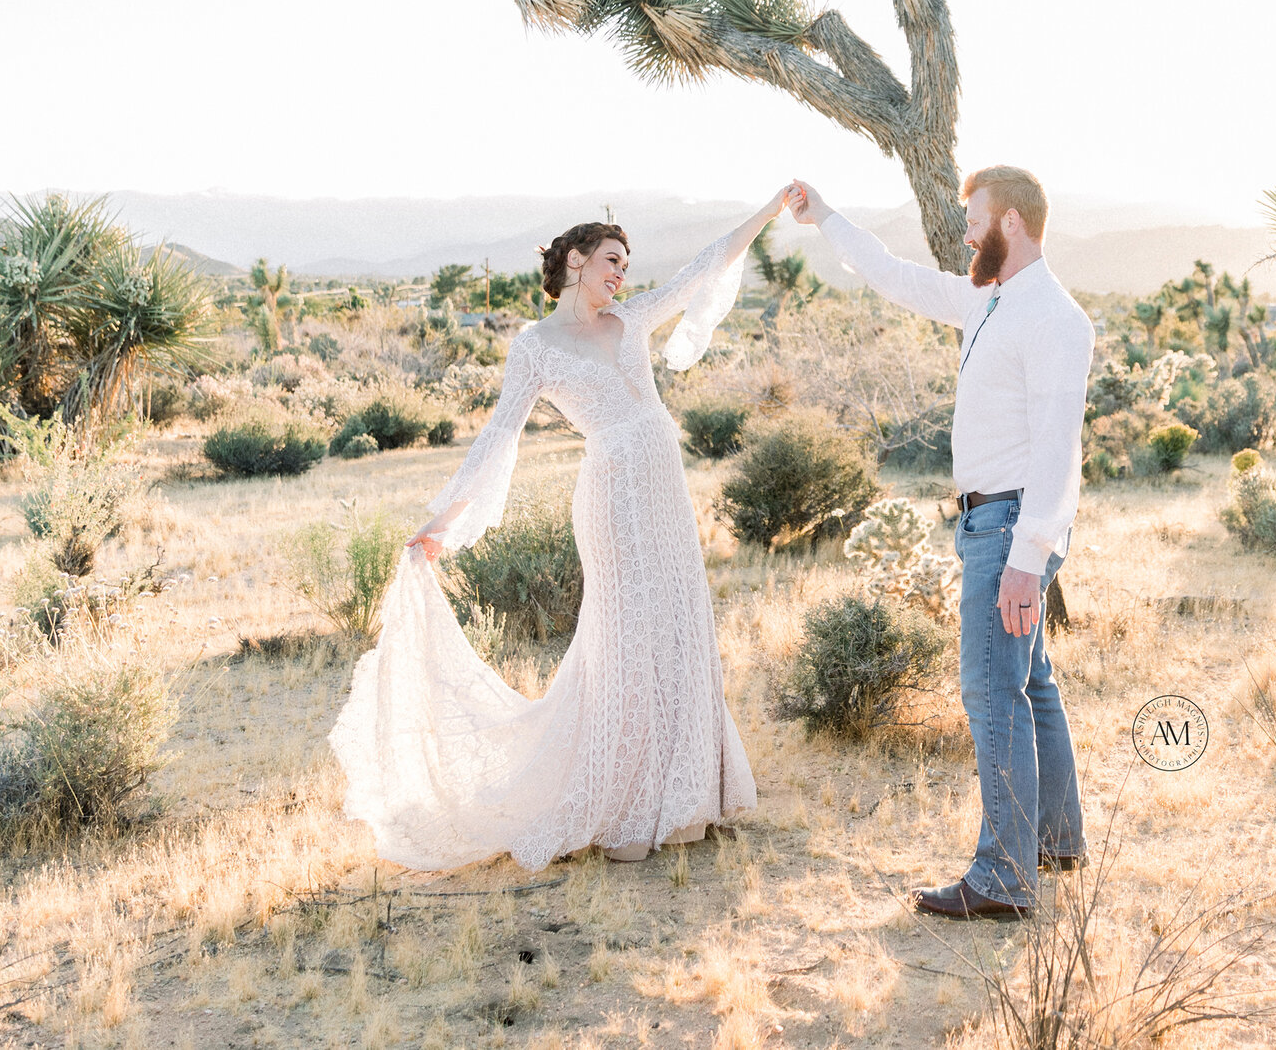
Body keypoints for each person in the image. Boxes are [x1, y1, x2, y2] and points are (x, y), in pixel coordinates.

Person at [328, 190, 792, 870]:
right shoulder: (536, 345)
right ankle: (626, 799)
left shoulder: (630, 320)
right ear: (575, 260)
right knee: (627, 639)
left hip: (666, 495)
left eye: (625, 264)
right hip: (613, 501)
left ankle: (685, 794)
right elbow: (498, 435)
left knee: (678, 625)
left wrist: (773, 207)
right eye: (610, 260)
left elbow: (703, 265)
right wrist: (442, 520)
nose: (620, 274)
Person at [787, 167, 1092, 920]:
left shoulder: (1053, 316)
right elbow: (893, 276)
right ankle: (1054, 840)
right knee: (1029, 683)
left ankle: (1002, 877)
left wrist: (1027, 559)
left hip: (1011, 526)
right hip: (991, 522)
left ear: (1012, 223)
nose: (964, 233)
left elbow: (1058, 449)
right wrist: (824, 212)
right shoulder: (987, 299)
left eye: (974, 218)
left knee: (992, 692)